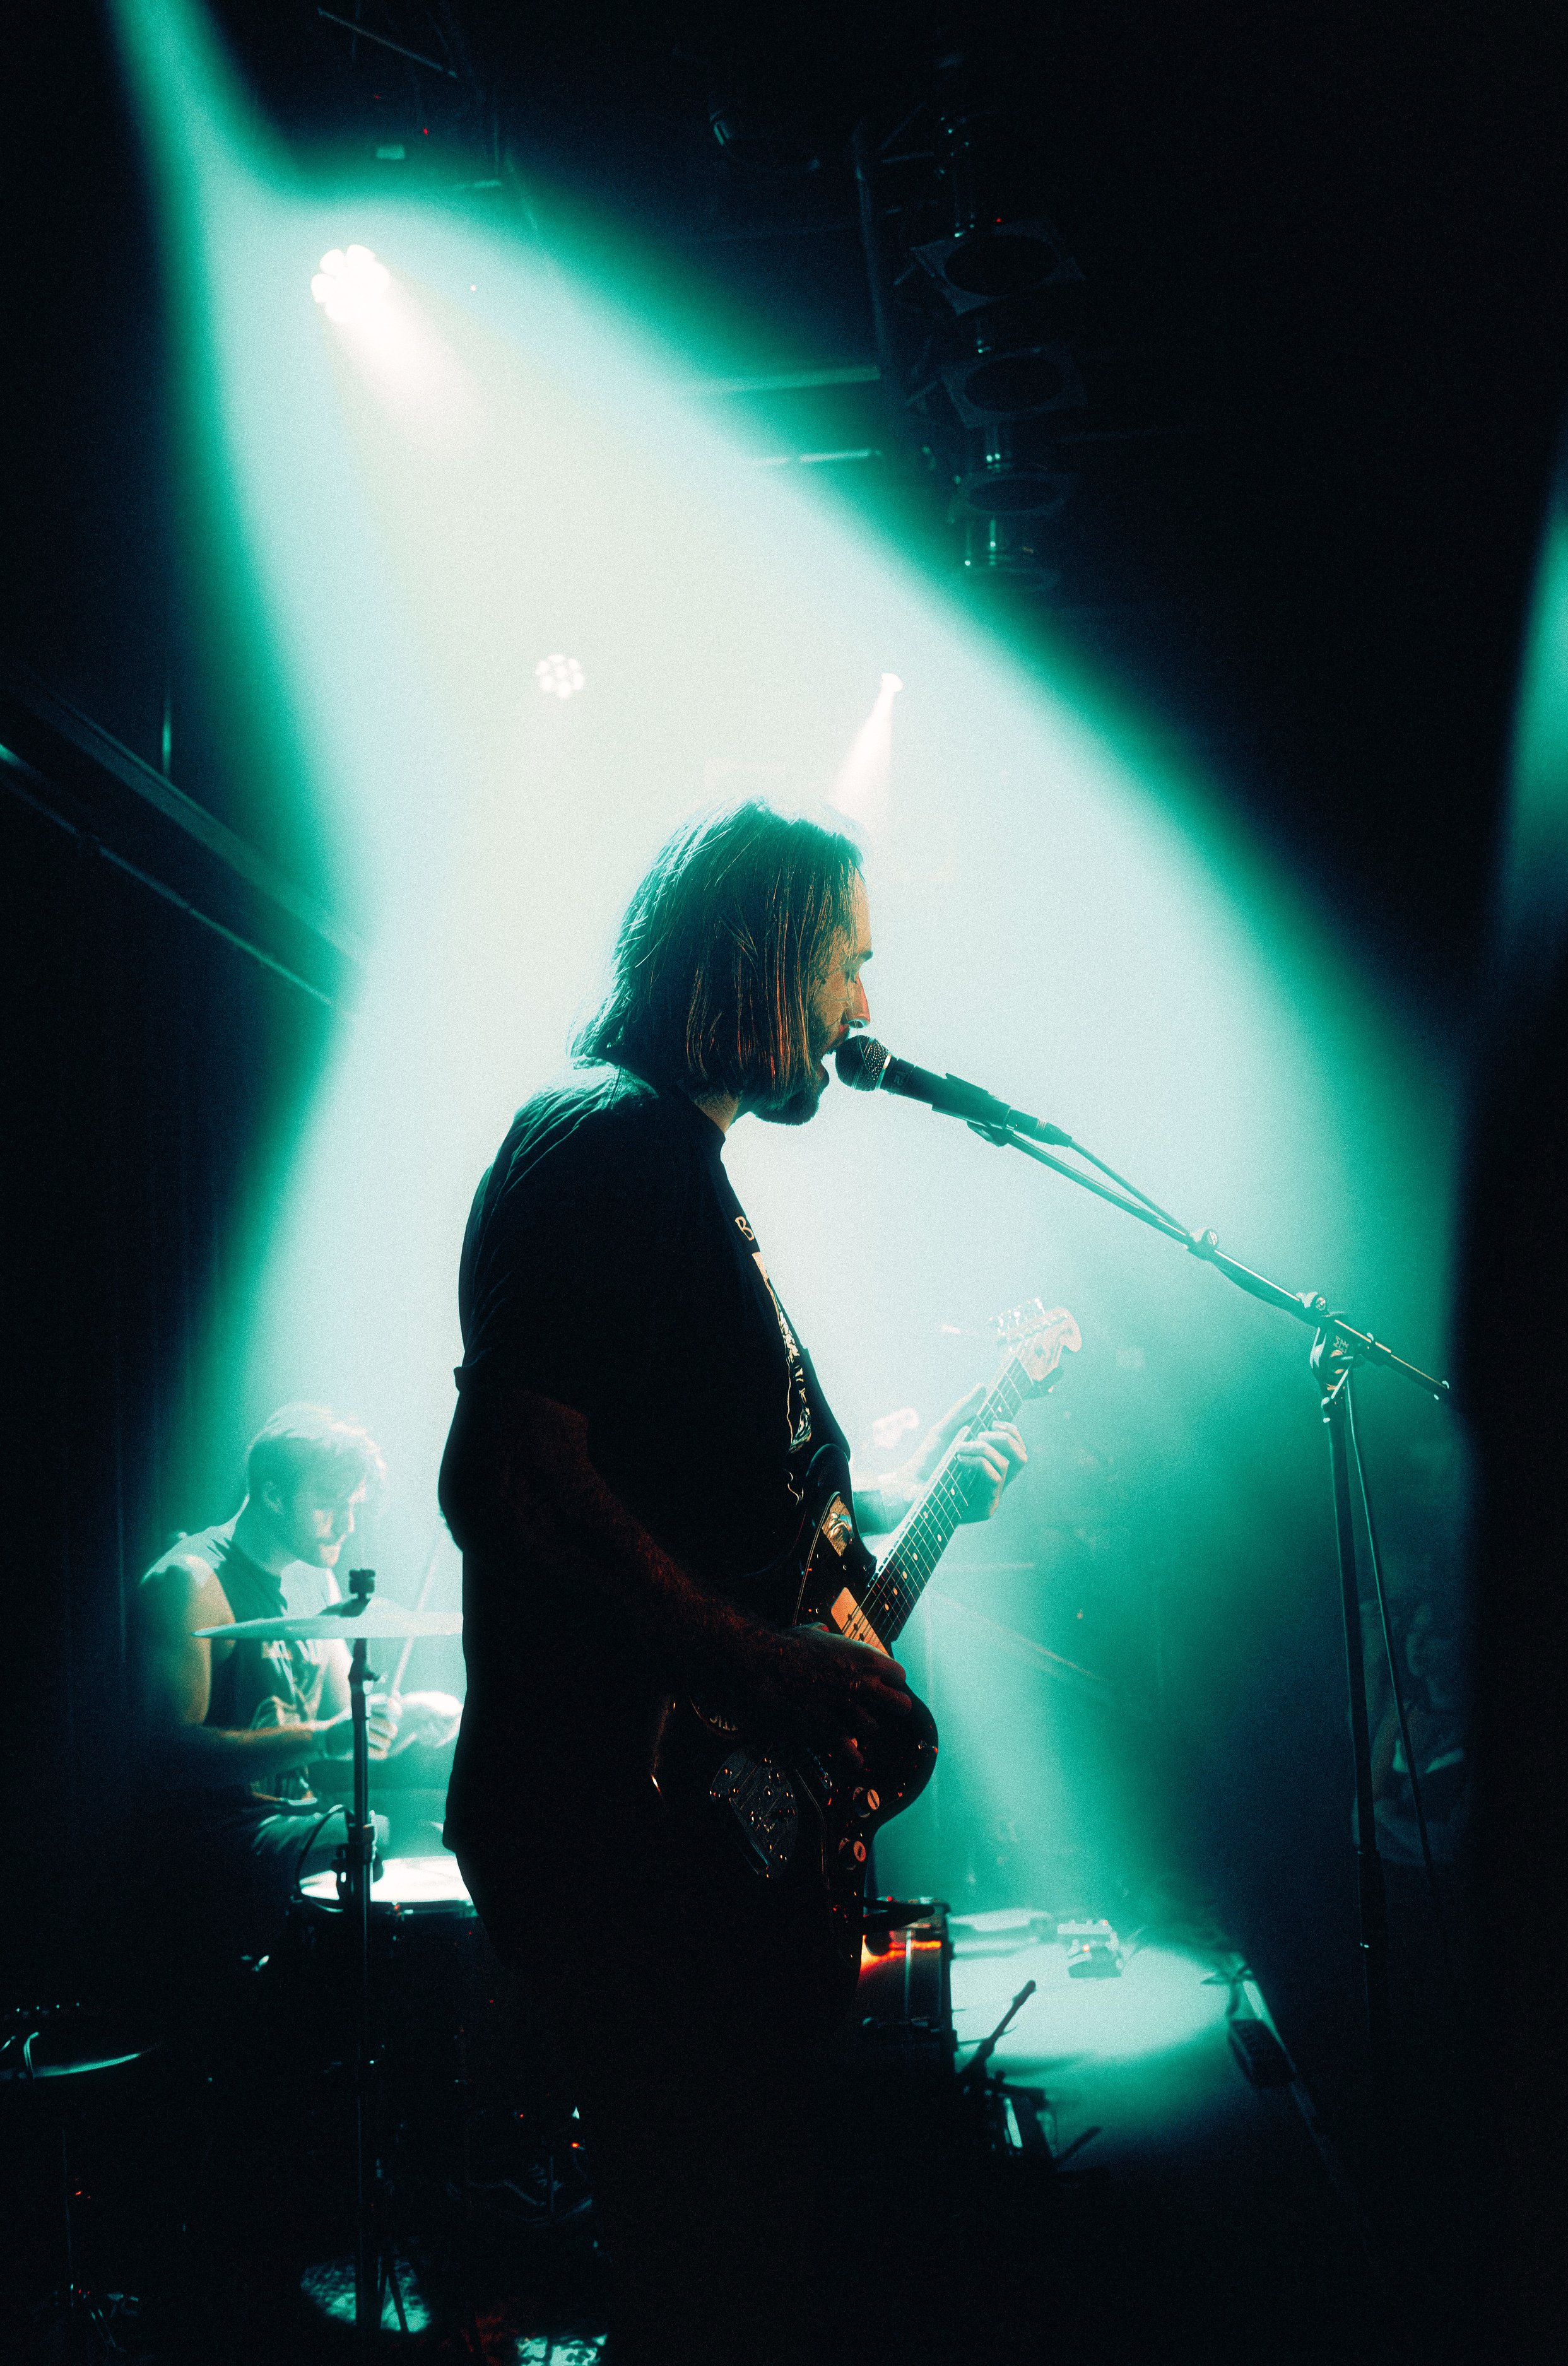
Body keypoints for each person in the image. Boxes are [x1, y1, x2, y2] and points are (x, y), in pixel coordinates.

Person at [439, 803, 1027, 2365]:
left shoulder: (670, 1165)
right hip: (625, 1833)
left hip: (691, 1834)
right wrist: (758, 1665)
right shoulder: (608, 1138)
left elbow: (730, 1527)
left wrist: (823, 1625)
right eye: (849, 962)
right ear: (765, 950)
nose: (862, 1012)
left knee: (734, 2271)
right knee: (716, 2281)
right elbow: (504, 1478)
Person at [131, 1402, 460, 1984]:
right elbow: (169, 1752)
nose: (346, 1525)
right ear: (273, 1494)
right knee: (387, 1835)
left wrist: (406, 1716)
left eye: (352, 1507)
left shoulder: (315, 1578)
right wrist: (325, 1739)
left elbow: (343, 1728)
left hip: (300, 1819)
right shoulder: (190, 1582)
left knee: (446, 1818)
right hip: (220, 1836)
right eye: (328, 1505)